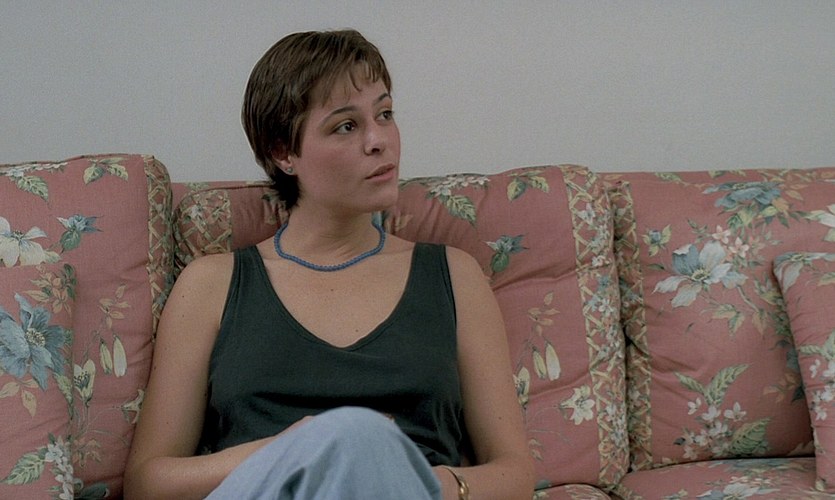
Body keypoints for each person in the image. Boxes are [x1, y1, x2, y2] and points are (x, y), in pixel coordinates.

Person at [124, 29, 534, 499]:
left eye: (385, 114)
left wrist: (417, 478)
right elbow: (147, 483)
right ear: (283, 152)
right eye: (346, 126)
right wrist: (300, 448)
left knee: (359, 440)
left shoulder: (453, 276)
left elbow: (515, 472)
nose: (379, 140)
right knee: (351, 435)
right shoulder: (212, 285)